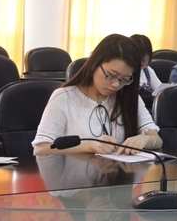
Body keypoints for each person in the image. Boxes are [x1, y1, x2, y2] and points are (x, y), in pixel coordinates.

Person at [33, 34, 163, 156]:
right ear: (95, 64)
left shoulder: (128, 97)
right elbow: (41, 149)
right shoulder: (64, 97)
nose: (116, 85)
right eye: (111, 75)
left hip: (120, 172)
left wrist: (144, 139)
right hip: (76, 172)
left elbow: (157, 139)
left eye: (125, 79)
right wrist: (89, 146)